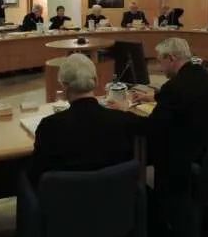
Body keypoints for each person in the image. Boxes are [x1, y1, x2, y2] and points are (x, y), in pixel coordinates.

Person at [131, 38, 208, 237]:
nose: (159, 66)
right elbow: (185, 99)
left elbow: (151, 127)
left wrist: (124, 111)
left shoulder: (174, 87)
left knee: (142, 146)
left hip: (184, 157)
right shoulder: (207, 77)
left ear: (171, 58)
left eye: (160, 60)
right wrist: (156, 98)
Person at [28, 53, 143, 184]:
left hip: (67, 196)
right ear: (96, 81)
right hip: (115, 194)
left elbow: (35, 175)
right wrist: (126, 112)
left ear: (64, 85)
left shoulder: (49, 126)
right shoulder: (121, 120)